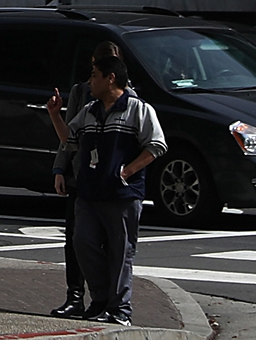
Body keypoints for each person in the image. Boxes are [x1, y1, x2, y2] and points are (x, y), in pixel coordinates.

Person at [47, 52, 166, 325]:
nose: (89, 82)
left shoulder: (138, 109)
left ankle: (120, 310)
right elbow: (70, 139)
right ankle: (101, 299)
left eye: (94, 76)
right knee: (82, 242)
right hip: (89, 192)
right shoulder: (89, 110)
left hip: (122, 195)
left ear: (110, 78)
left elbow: (156, 145)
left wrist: (128, 171)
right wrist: (56, 115)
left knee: (121, 251)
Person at [48, 41, 121, 318]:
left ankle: (106, 301)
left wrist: (126, 172)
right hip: (82, 176)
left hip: (111, 181)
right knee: (76, 239)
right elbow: (69, 138)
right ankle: (75, 296)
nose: (94, 74)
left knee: (108, 243)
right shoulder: (82, 93)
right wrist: (60, 169)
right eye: (94, 67)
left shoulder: (131, 100)